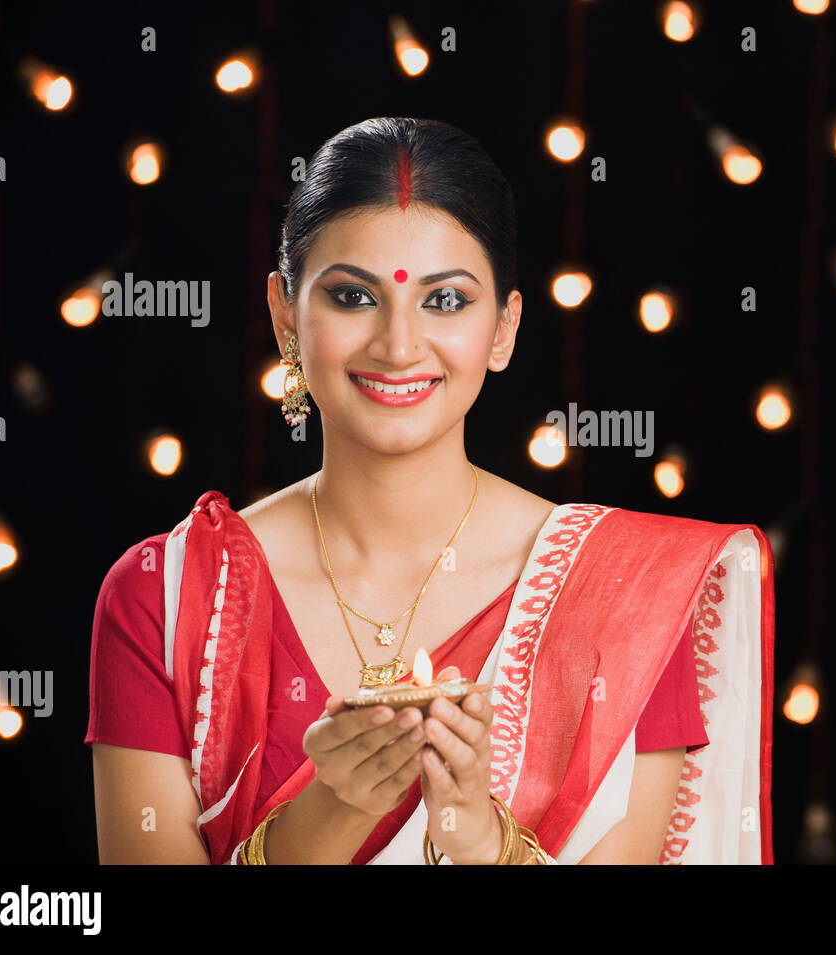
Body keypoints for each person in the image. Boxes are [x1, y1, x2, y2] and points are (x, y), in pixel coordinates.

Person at [86, 117, 774, 864]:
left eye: (445, 301)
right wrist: (334, 807)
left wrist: (478, 837)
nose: (399, 344)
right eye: (352, 296)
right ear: (287, 316)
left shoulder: (628, 596)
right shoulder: (168, 597)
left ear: (504, 328)